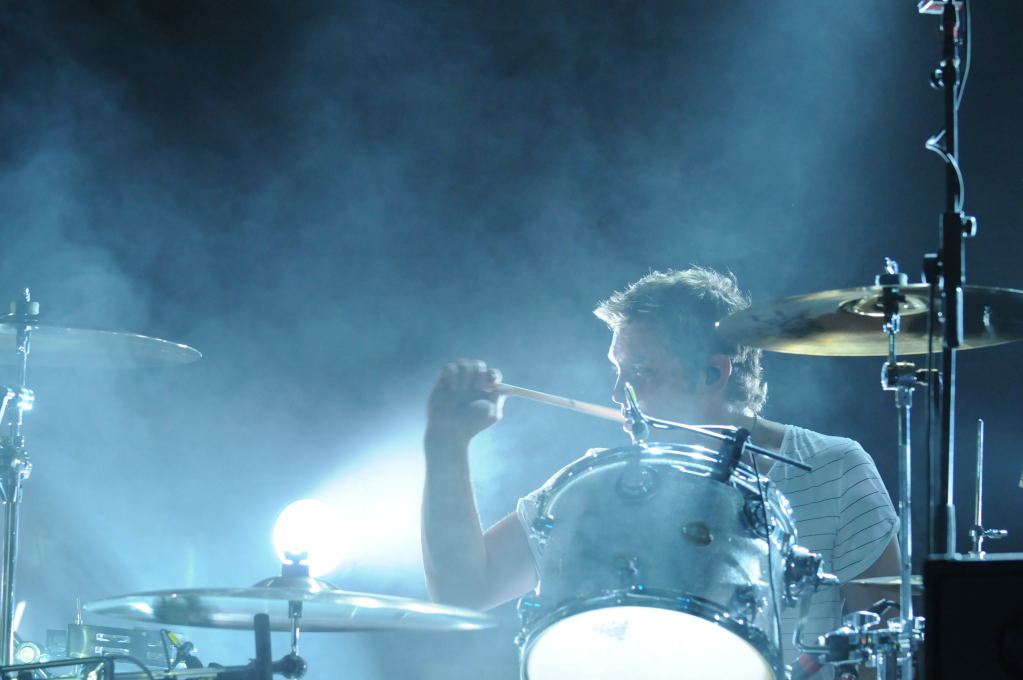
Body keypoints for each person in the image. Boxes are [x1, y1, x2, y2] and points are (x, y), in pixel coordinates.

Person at [421, 266, 900, 677]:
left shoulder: (833, 468)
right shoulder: (597, 488)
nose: (618, 393)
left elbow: (884, 643)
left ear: (713, 374)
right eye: (617, 369)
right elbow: (462, 590)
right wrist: (446, 443)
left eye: (641, 370)